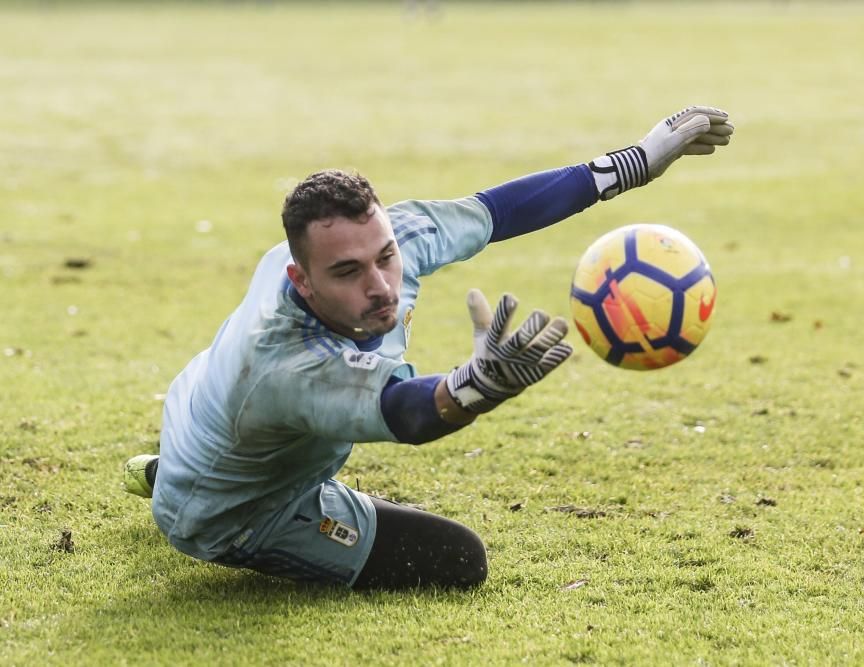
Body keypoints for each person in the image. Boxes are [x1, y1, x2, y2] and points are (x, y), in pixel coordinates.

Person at [123, 106, 734, 589]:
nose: (380, 284)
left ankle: (170, 471)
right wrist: (477, 386)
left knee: (246, 442)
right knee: (457, 559)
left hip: (196, 406)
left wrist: (635, 162)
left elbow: (498, 211)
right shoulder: (287, 364)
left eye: (385, 256)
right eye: (347, 273)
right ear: (300, 280)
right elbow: (407, 413)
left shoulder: (384, 240)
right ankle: (184, 494)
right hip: (239, 513)